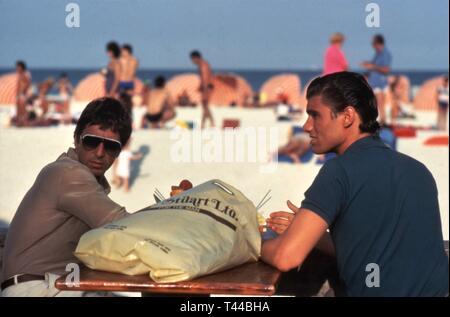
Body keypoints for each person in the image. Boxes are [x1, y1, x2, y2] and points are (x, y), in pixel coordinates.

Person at [261, 72, 448, 296]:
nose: (306, 126)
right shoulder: (418, 171)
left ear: (348, 116)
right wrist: (311, 234)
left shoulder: (339, 172)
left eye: (315, 115)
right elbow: (376, 250)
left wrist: (249, 244)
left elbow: (286, 257)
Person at [1, 97, 133, 297]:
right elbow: (123, 225)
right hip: (37, 288)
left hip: (55, 284)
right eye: (92, 141)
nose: (99, 152)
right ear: (76, 138)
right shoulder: (69, 173)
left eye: (111, 146)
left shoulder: (83, 179)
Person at [361, 34, 392, 125]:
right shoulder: (378, 54)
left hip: (380, 82)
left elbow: (386, 69)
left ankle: (384, 121)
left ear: (378, 43)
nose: (372, 46)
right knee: (378, 104)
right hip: (375, 82)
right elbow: (375, 66)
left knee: (381, 103)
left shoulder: (385, 54)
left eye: (373, 44)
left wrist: (372, 66)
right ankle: (382, 120)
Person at [190, 50, 215, 128]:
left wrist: (204, 88)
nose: (192, 62)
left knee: (205, 106)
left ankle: (207, 123)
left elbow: (205, 77)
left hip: (207, 87)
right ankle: (208, 123)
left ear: (196, 58)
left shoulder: (203, 65)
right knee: (205, 106)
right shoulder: (204, 64)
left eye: (192, 59)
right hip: (207, 86)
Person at [15, 60, 32, 127]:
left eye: (18, 67)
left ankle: (24, 123)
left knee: (22, 109)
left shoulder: (25, 74)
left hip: (23, 94)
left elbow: (28, 83)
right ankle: (19, 123)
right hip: (20, 94)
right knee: (19, 109)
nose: (17, 68)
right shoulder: (20, 75)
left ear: (22, 67)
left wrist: (22, 91)